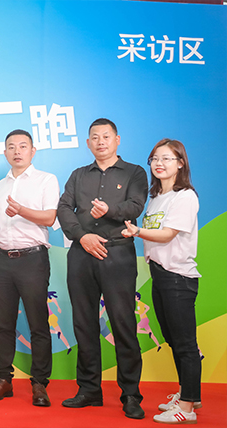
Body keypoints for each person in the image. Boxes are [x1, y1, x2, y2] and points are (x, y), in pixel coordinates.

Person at [57, 118, 147, 419]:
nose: (100, 142)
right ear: (88, 143)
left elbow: (136, 206)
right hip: (81, 253)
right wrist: (82, 236)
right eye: (94, 137)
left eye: (106, 136)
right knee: (84, 324)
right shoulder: (78, 175)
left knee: (123, 323)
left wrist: (110, 210)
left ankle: (131, 394)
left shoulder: (134, 172)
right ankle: (89, 390)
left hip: (117, 254)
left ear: (117, 140)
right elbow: (63, 208)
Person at [121, 138, 201, 424]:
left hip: (178, 277)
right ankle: (188, 394)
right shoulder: (155, 198)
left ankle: (187, 408)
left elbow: (167, 235)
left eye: (167, 158)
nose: (159, 163)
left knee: (185, 344)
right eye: (155, 158)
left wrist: (137, 231)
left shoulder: (185, 197)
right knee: (173, 340)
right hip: (159, 275)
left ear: (180, 163)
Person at [0, 129, 58, 406]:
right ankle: (3, 380)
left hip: (32, 259)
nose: (17, 151)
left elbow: (50, 218)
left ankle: (39, 384)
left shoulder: (46, 180)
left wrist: (21, 210)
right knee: (3, 325)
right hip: (2, 260)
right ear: (5, 153)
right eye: (11, 147)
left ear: (32, 151)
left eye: (23, 146)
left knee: (38, 323)